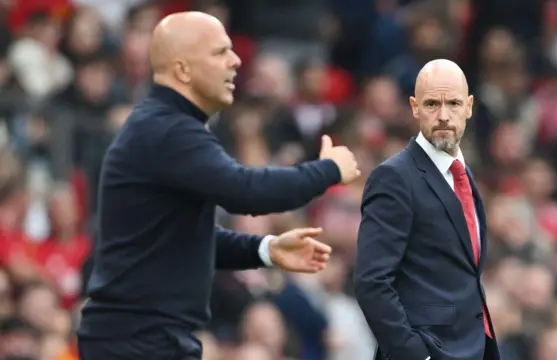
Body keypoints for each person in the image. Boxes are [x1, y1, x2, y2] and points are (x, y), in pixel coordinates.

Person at [77, 12, 360, 360]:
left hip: (144, 338)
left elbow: (184, 238)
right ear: (182, 70)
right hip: (137, 342)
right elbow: (245, 190)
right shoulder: (169, 129)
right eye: (219, 52)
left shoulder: (164, 126)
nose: (236, 60)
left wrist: (266, 249)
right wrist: (328, 170)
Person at [353, 59, 501, 360]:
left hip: (472, 347)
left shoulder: (463, 174)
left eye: (454, 104)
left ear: (469, 107)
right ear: (415, 107)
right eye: (432, 103)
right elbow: (372, 283)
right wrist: (415, 355)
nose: (444, 116)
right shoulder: (394, 177)